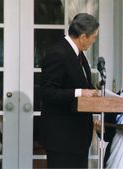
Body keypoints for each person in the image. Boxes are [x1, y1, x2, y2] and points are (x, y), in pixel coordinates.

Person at [39, 13, 100, 168]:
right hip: (62, 139)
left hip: (77, 139)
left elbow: (80, 82)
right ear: (83, 37)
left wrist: (94, 92)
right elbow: (48, 93)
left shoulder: (78, 53)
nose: (94, 41)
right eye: (94, 37)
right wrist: (80, 92)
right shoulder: (58, 53)